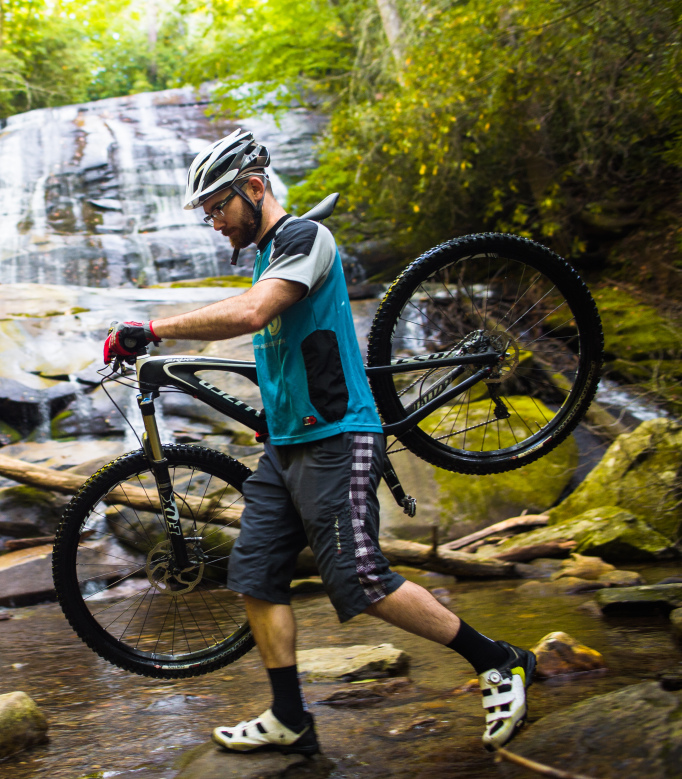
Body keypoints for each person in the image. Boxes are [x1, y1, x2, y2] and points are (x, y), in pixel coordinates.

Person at [102, 129, 537, 755]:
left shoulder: (305, 239)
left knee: (359, 578)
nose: (215, 224)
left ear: (254, 189)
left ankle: (499, 660)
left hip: (338, 436)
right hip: (287, 446)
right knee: (254, 576)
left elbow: (255, 313)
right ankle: (290, 717)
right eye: (207, 214)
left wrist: (152, 328)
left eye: (218, 207)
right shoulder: (265, 255)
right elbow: (284, 354)